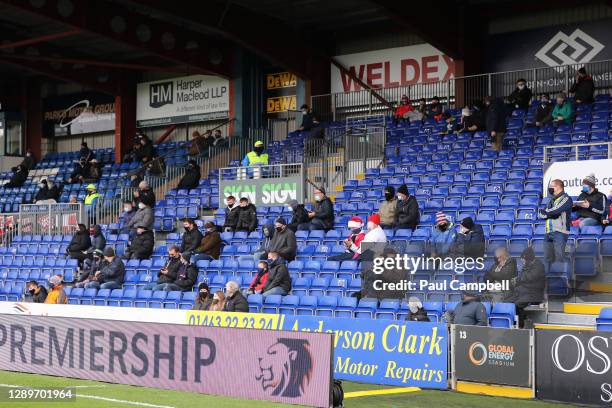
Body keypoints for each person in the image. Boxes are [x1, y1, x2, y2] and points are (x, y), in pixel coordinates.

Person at [504, 247, 545, 325]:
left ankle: (521, 324)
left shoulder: (539, 265)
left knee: (517, 304)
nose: (522, 261)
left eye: (522, 259)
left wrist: (518, 280)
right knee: (506, 302)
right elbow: (522, 278)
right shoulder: (526, 266)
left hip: (534, 294)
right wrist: (514, 281)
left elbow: (530, 277)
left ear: (527, 258)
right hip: (523, 292)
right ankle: (510, 323)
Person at [540, 179, 572, 264]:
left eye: (552, 186)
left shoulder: (566, 198)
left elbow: (556, 211)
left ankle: (564, 276)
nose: (550, 188)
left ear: (558, 187)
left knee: (560, 258)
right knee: (547, 259)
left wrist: (548, 213)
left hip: (560, 232)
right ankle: (549, 277)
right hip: (548, 232)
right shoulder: (552, 200)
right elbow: (541, 214)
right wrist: (549, 214)